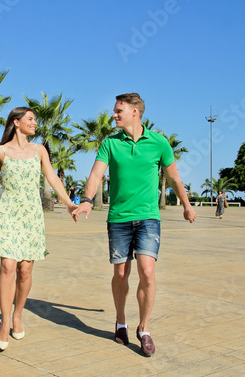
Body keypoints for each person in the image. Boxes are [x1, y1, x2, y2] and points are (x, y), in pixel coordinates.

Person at [72, 93, 196, 356]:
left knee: (147, 272)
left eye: (118, 111)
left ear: (135, 112)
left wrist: (186, 204)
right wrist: (86, 200)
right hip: (118, 218)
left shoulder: (159, 142)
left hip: (149, 217)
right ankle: (121, 321)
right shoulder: (110, 144)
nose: (113, 115)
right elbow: (96, 173)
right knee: (120, 275)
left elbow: (173, 178)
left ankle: (144, 328)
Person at [0, 107, 78, 351]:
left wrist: (68, 203)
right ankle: (3, 322)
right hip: (9, 212)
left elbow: (53, 178)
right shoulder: (0, 151)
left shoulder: (39, 150)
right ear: (17, 122)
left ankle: (18, 315)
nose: (35, 123)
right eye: (30, 119)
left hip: (32, 215)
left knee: (25, 269)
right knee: (8, 265)